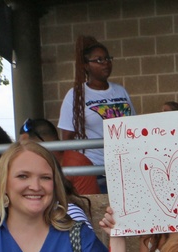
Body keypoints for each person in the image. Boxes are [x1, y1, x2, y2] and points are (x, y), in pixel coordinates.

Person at [57, 35, 135, 174]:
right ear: (86, 65)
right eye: (99, 60)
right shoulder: (76, 95)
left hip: (125, 167)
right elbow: (67, 138)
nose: (106, 63)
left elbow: (134, 125)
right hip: (95, 169)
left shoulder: (120, 91)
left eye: (108, 58)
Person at [18, 117, 100, 196]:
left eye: (29, 147)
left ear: (49, 144)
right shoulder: (26, 167)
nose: (23, 152)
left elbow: (86, 205)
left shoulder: (78, 163)